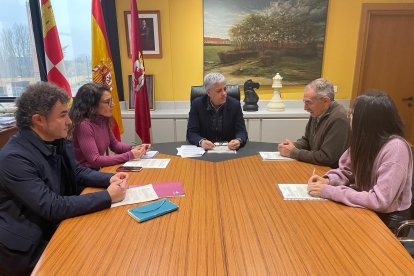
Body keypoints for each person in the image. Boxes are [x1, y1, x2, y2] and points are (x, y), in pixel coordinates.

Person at [0, 82, 129, 275]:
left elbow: (77, 172)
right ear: (39, 120)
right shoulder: (14, 158)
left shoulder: (56, 139)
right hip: (29, 247)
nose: (69, 121)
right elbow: (51, 206)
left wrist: (110, 179)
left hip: (58, 226)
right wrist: (107, 197)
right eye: (62, 115)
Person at [308, 92, 413, 232]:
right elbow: (346, 170)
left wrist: (330, 191)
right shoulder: (364, 140)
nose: (349, 118)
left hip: (387, 218)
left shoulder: (396, 148)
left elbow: (380, 200)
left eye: (352, 115)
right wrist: (327, 180)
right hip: (366, 207)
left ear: (366, 121)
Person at [69, 83, 150, 170]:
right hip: (83, 174)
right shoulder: (83, 125)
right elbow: (95, 160)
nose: (113, 104)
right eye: (108, 102)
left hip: (96, 170)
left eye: (112, 100)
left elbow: (115, 145)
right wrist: (130, 155)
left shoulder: (103, 118)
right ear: (92, 105)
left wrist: (133, 148)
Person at [278, 78, 350, 168]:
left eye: (308, 103)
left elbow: (326, 158)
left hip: (328, 173)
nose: (305, 108)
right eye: (304, 102)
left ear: (325, 101)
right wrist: (291, 146)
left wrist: (294, 152)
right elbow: (307, 141)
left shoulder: (339, 119)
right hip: (316, 168)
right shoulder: (318, 112)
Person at [186, 72, 248, 150]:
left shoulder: (234, 105)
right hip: (205, 150)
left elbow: (242, 131)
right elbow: (191, 133)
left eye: (225, 89)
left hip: (229, 150)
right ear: (208, 92)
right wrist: (201, 142)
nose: (224, 93)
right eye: (219, 91)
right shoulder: (197, 105)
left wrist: (238, 140)